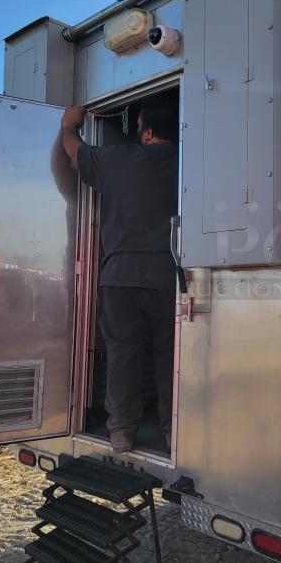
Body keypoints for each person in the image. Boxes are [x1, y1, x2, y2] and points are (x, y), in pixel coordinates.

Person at [61, 97, 178, 453]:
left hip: (120, 277)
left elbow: (74, 151)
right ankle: (174, 431)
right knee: (170, 358)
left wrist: (69, 125)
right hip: (169, 278)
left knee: (123, 354)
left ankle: (122, 433)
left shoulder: (119, 160)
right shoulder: (190, 164)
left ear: (147, 130)